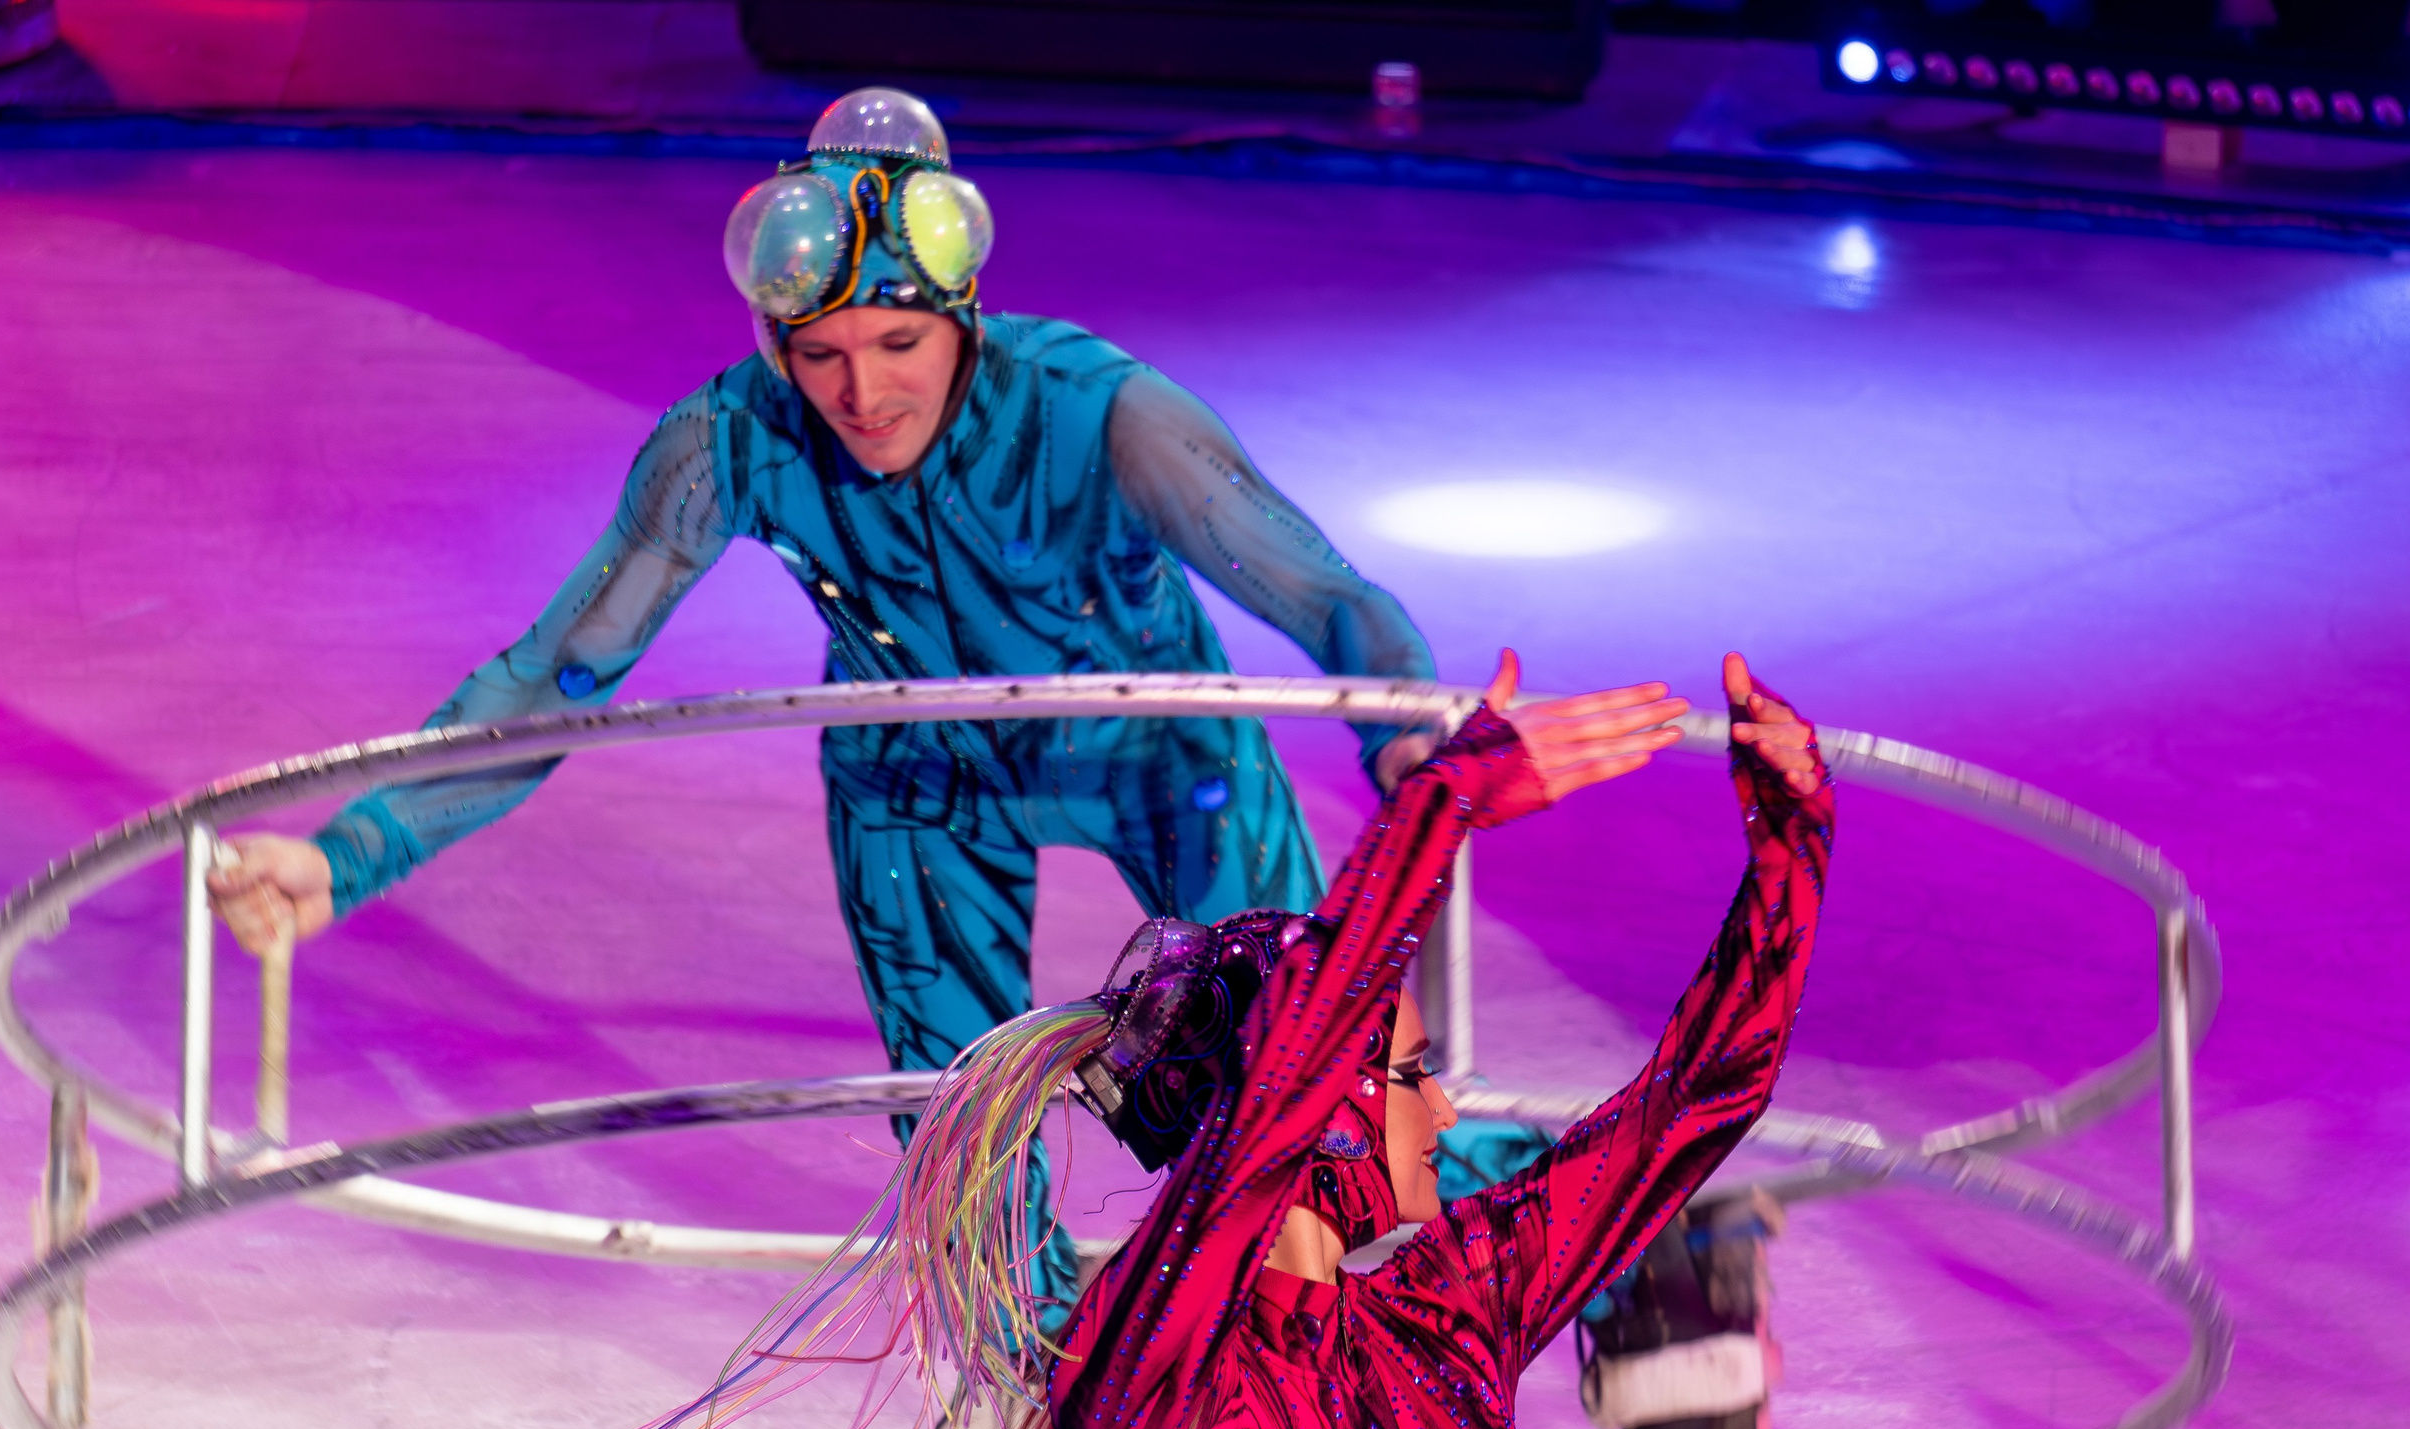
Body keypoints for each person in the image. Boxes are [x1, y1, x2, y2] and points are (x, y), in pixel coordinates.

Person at [204, 86, 1536, 1337]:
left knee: (1314, 1099)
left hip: (1155, 755)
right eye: (822, 355)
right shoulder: (733, 438)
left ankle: (1606, 1243)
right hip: (920, 777)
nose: (862, 395)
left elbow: (1323, 595)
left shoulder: (1102, 412)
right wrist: (346, 854)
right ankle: (1044, 1405)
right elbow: (558, 678)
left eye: (900, 343)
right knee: (961, 1138)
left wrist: (1404, 729)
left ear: (966, 316)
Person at [573, 649, 1830, 1429]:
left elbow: (1694, 1105)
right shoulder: (1145, 1374)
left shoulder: (1445, 1314)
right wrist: (1433, 807)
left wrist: (1788, 848)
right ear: (1318, 1101)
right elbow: (1281, 1080)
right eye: (1405, 1071)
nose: (1444, 1103)